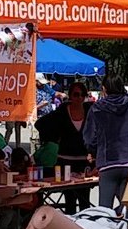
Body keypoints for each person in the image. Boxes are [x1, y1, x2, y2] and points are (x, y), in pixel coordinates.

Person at [83, 75, 128, 208]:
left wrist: (94, 150)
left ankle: (108, 226)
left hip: (108, 161)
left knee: (105, 208)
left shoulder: (97, 108)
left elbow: (90, 138)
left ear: (104, 88)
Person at [36, 81, 93, 214]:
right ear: (70, 96)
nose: (79, 98)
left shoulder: (90, 111)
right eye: (76, 95)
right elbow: (40, 124)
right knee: (70, 201)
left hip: (84, 162)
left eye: (82, 95)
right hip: (65, 161)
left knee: (85, 200)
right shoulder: (62, 112)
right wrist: (54, 139)